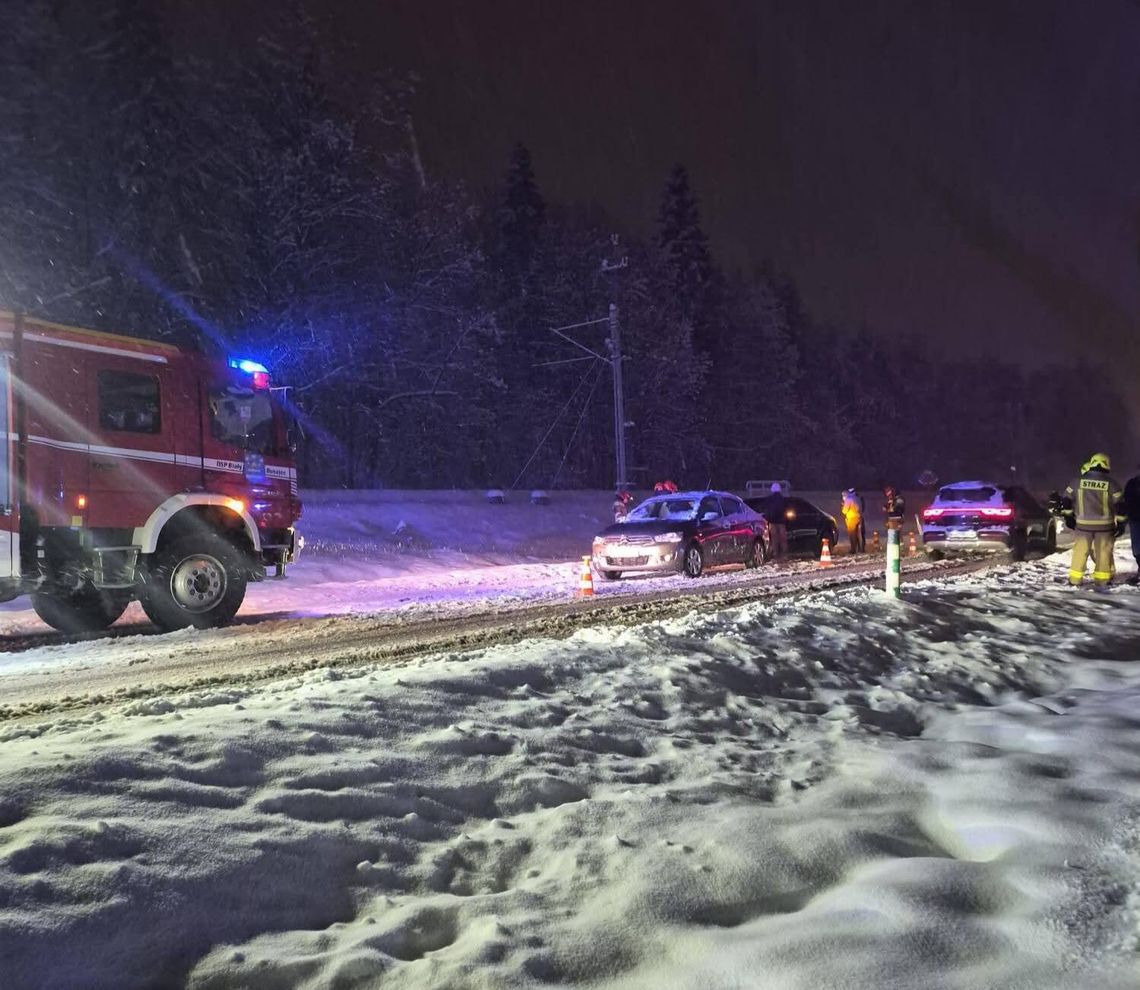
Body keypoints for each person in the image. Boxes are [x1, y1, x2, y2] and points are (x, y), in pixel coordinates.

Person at [1064, 452, 1124, 591]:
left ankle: (1074, 580)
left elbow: (1066, 500)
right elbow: (1121, 505)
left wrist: (1069, 518)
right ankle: (1102, 582)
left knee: (1080, 552)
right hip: (1105, 527)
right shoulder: (1112, 484)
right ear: (1105, 465)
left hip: (1082, 526)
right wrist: (1121, 523)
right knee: (1103, 553)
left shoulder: (1076, 482)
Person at [1123, 467, 1140, 584]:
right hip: (1135, 519)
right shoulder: (1133, 483)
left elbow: (1126, 501)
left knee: (1138, 548)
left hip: (1135, 519)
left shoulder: (1132, 483)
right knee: (1138, 549)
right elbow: (1127, 501)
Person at [766, 481, 789, 562]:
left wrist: (768, 519)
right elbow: (786, 510)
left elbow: (767, 510)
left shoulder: (769, 499)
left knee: (774, 539)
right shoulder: (783, 499)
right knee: (783, 539)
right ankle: (784, 554)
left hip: (772, 522)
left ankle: (775, 554)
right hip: (781, 522)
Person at [841, 488, 865, 554]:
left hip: (852, 519)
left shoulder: (849, 499)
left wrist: (843, 506)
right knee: (859, 534)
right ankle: (861, 549)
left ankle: (853, 549)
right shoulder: (857, 498)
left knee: (852, 534)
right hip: (859, 518)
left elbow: (844, 511)